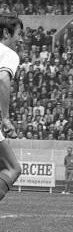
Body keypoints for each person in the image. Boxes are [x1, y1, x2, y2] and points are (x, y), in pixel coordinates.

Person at [0, 14, 23, 202]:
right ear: (7, 33)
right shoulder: (8, 53)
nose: (20, 39)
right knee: (13, 168)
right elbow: (3, 78)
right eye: (18, 34)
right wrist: (5, 117)